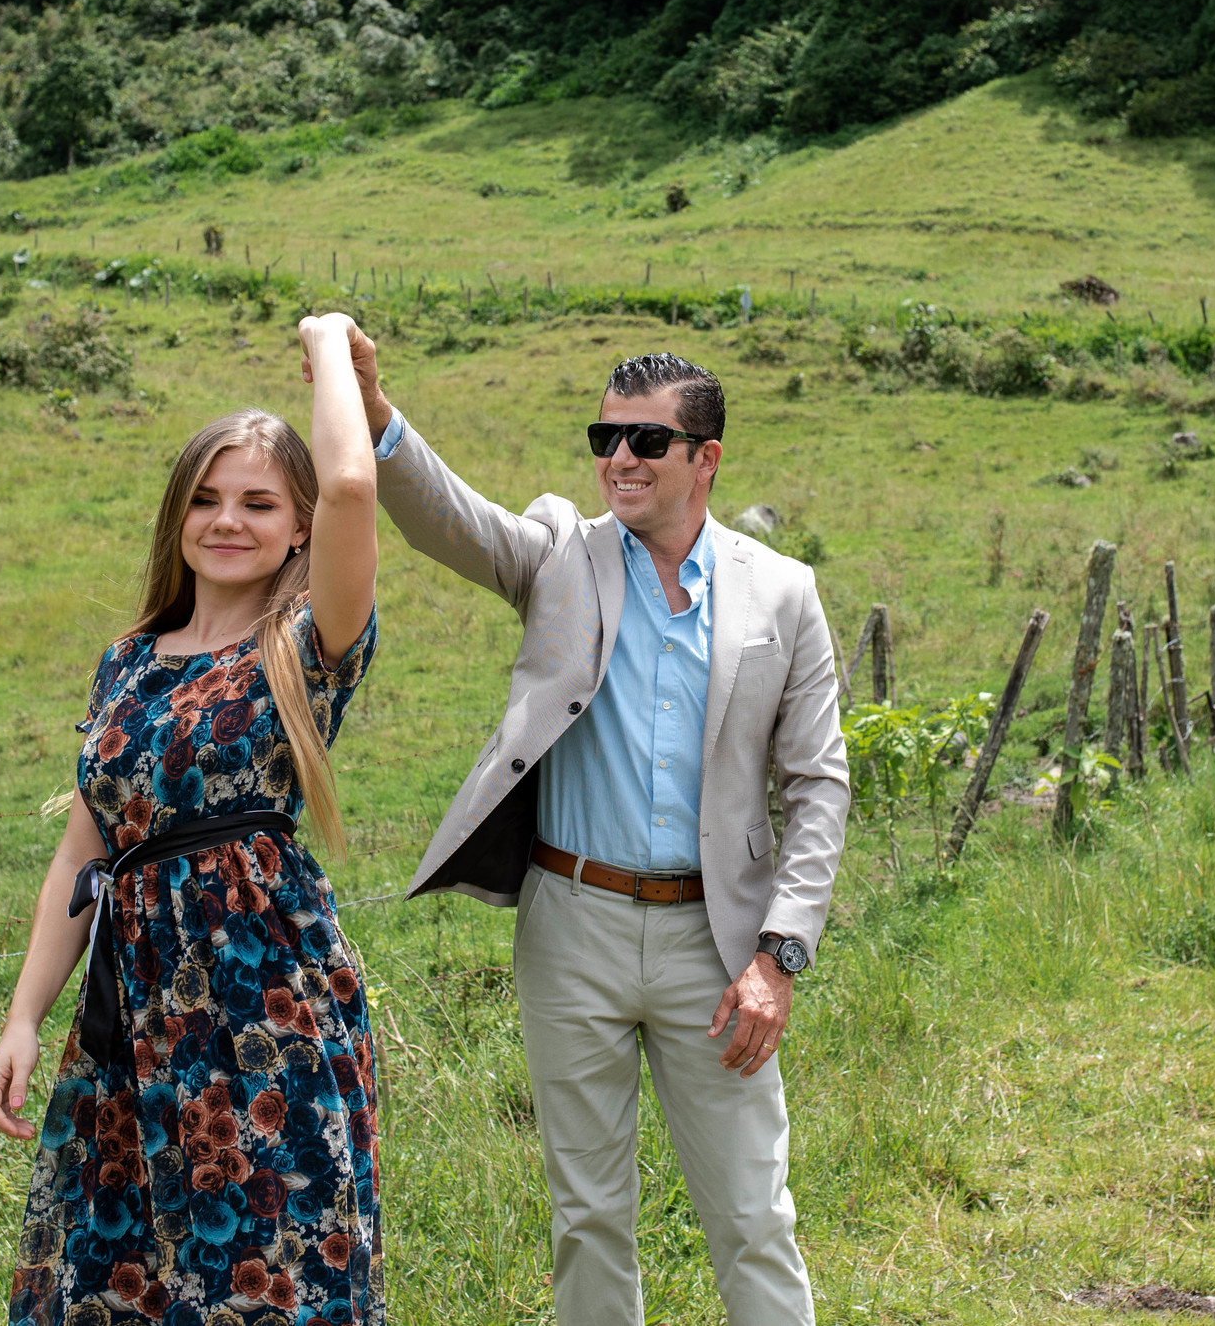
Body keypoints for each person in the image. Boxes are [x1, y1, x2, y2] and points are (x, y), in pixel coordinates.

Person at [348, 336, 850, 1325]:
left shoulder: (781, 592)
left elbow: (817, 780)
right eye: (604, 435)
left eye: (646, 438)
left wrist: (778, 954)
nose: (619, 456)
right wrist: (371, 406)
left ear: (705, 457)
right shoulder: (560, 554)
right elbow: (446, 519)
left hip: (715, 946)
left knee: (751, 1210)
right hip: (569, 925)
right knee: (587, 1215)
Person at [0, 311, 387, 1325]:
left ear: (298, 525)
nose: (227, 518)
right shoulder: (129, 658)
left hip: (260, 1020)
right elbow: (85, 845)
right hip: (128, 1019)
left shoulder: (304, 644)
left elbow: (349, 483)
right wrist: (27, 1013)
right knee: (106, 1278)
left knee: (270, 1274)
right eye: (204, 498)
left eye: (258, 501)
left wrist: (329, 341)